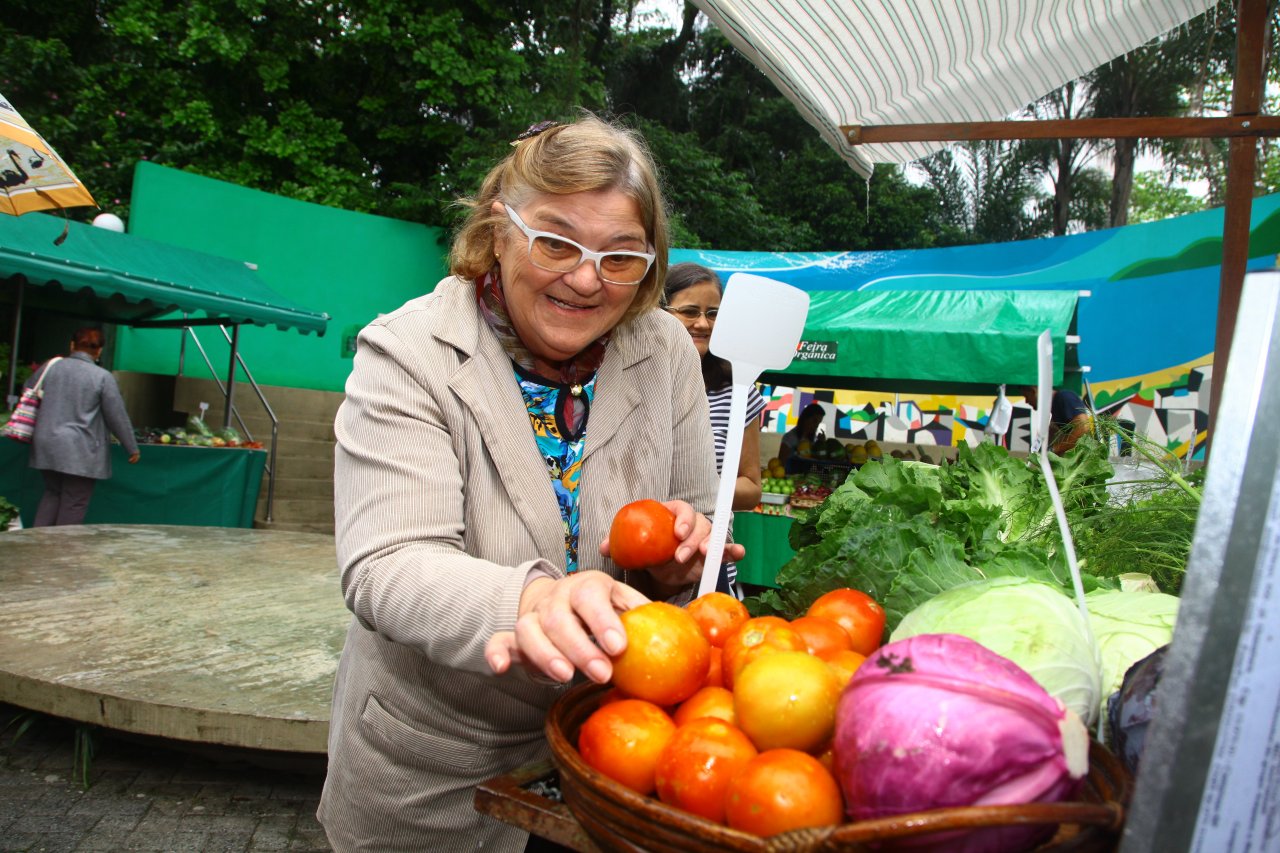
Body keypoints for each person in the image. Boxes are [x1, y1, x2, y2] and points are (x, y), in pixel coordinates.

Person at [317, 115, 743, 852]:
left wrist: (678, 564)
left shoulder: (666, 349)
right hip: (439, 764)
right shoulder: (408, 352)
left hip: (616, 753)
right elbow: (386, 566)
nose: (586, 278)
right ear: (497, 229)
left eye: (620, 257)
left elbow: (692, 518)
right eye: (556, 243)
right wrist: (534, 600)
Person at [663, 262, 765, 596]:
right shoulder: (636, 381)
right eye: (689, 311)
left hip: (710, 566)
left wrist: (695, 493)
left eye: (713, 313)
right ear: (660, 312)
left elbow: (751, 489)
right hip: (643, 557)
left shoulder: (739, 391)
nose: (703, 323)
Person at [27, 327, 140, 527]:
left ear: (72, 345)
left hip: (46, 442)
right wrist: (131, 447)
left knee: (52, 493)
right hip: (80, 448)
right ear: (99, 351)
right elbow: (116, 416)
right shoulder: (102, 377)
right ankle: (63, 546)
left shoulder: (50, 367)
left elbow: (28, 389)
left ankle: (36, 543)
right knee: (74, 501)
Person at [1022, 384, 1091, 454]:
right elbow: (1052, 433)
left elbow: (1083, 427)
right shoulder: (1054, 407)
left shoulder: (1064, 397)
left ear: (1033, 391)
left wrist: (1054, 449)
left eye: (1026, 396)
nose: (1026, 401)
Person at [777, 401, 826, 472]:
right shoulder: (790, 437)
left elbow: (820, 466)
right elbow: (781, 464)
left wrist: (822, 444)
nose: (816, 425)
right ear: (805, 418)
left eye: (819, 423)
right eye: (814, 421)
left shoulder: (814, 439)